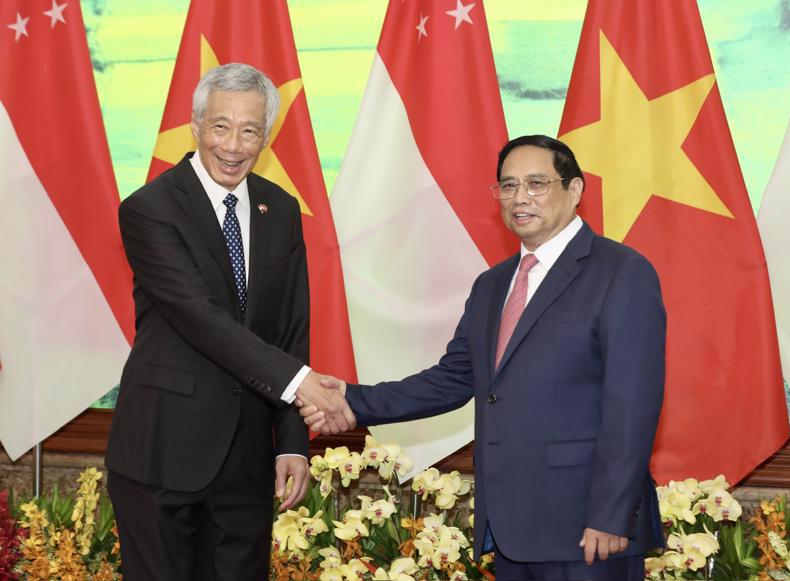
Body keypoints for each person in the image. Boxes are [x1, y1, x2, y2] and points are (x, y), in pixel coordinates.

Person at [298, 135, 666, 580]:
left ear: (575, 190)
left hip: (587, 528)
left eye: (536, 183)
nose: (519, 197)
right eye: (507, 186)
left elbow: (632, 406)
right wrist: (352, 401)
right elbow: (453, 379)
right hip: (510, 527)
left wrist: (611, 514)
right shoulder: (493, 285)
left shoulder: (622, 273)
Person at [105, 63, 353, 581]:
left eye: (250, 131)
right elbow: (199, 317)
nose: (234, 146)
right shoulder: (150, 209)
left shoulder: (279, 208)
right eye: (221, 126)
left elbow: (289, 328)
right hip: (163, 450)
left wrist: (290, 440)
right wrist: (303, 385)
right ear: (196, 126)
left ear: (267, 135)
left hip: (247, 458)